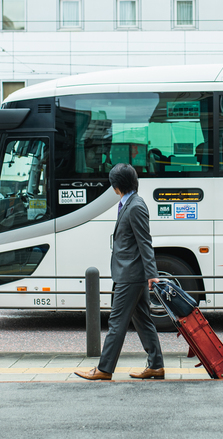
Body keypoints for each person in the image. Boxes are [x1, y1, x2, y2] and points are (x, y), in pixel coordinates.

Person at [75, 163, 164, 381]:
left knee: (116, 323)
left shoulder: (135, 206)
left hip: (130, 276)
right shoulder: (130, 203)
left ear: (116, 186)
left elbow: (145, 242)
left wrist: (152, 274)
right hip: (130, 273)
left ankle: (104, 369)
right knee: (143, 320)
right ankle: (156, 365)